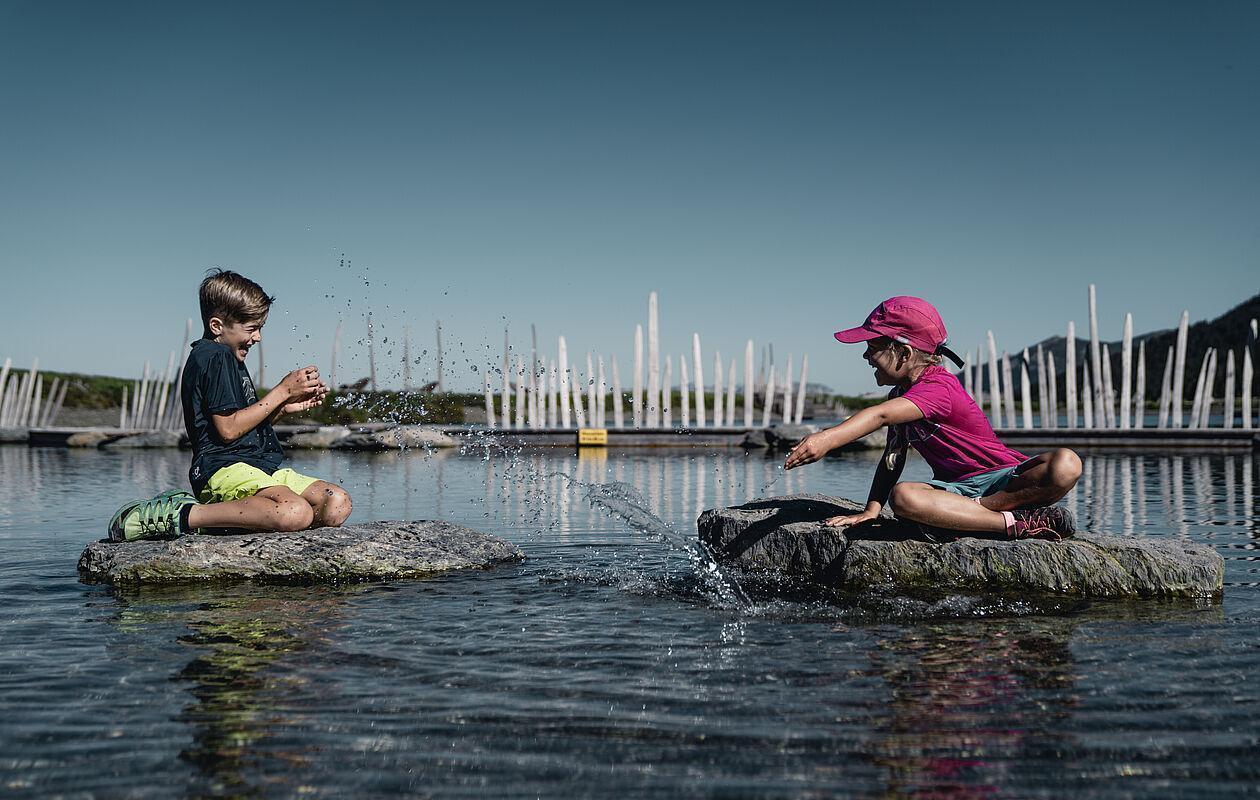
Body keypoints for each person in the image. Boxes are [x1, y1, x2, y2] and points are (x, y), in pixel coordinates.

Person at [783, 296, 1081, 541]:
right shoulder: (901, 395)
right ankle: (1010, 524)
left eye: (872, 348)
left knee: (1067, 464)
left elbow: (880, 416)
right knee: (903, 498)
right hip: (955, 490)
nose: (865, 357)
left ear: (904, 353)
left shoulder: (939, 387)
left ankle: (967, 517)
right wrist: (872, 509)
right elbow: (892, 460)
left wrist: (827, 438)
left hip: (1003, 481)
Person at [109, 270, 352, 540]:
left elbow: (239, 426)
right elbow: (227, 430)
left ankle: (241, 520)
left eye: (260, 328)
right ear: (217, 326)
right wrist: (282, 390)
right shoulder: (214, 357)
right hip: (224, 470)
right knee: (294, 512)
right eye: (251, 328)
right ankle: (182, 515)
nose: (258, 337)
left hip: (258, 468)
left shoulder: (229, 358)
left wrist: (283, 407)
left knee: (336, 503)